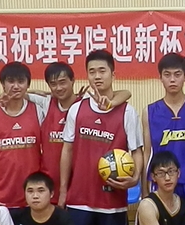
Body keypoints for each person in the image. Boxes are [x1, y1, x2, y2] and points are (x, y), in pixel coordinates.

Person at [57, 50, 144, 225]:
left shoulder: (127, 111)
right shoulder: (77, 109)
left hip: (112, 198)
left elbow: (137, 151)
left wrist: (135, 177)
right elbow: (67, 150)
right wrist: (63, 190)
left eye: (102, 70)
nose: (97, 76)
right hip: (80, 197)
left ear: (113, 74)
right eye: (92, 71)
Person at [26, 62, 132, 204]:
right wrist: (46, 93)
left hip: (78, 185)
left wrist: (111, 103)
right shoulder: (46, 103)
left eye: (63, 82)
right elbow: (22, 93)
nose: (59, 88)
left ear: (73, 80)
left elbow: (126, 93)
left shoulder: (85, 103)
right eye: (53, 84)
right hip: (49, 186)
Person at [0, 62, 43, 208]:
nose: (16, 86)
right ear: (3, 84)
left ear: (28, 84)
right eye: (11, 81)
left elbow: (57, 99)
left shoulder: (38, 110)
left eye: (21, 81)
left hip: (32, 200)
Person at [142, 53, 185, 208]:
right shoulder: (149, 111)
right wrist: (144, 189)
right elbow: (147, 154)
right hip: (160, 184)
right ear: (160, 77)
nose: (172, 79)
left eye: (177, 74)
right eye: (167, 75)